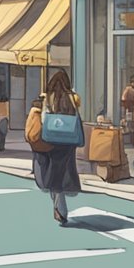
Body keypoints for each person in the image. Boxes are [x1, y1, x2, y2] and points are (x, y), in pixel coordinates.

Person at [32, 71, 82, 225]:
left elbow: (44, 117)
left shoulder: (47, 97)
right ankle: (59, 207)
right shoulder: (73, 98)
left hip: (52, 139)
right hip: (68, 140)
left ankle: (60, 209)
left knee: (55, 173)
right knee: (62, 171)